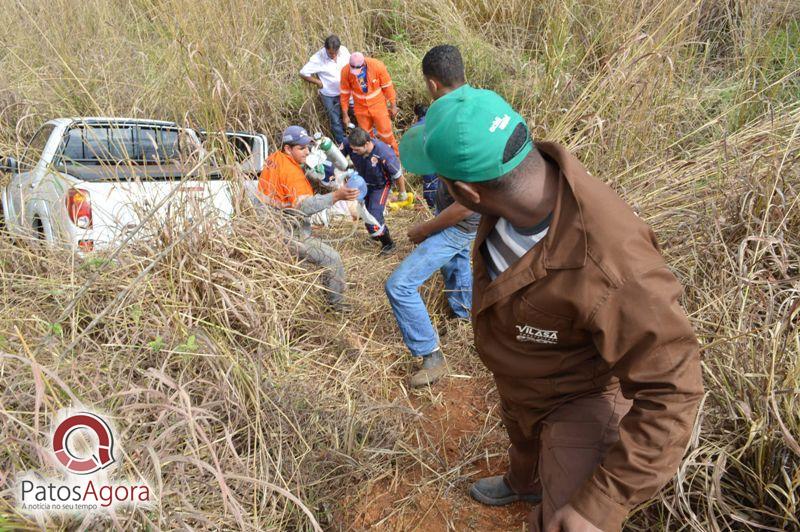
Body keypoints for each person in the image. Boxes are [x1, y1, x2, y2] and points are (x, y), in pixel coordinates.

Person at [400, 49, 704, 531]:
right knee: (521, 438)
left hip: (578, 400)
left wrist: (599, 506)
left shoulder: (614, 265)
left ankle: (548, 494)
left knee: (562, 520)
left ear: (466, 196)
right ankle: (522, 481)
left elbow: (674, 390)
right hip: (522, 377)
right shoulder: (517, 188)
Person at [258, 125, 359, 311]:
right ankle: (336, 305)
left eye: (308, 147)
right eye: (301, 148)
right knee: (332, 258)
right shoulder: (293, 174)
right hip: (286, 232)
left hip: (266, 224)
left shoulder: (274, 158)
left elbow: (283, 183)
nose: (307, 151)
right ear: (288, 148)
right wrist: (336, 196)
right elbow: (304, 208)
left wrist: (309, 171)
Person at [341, 127, 406, 255]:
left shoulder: (384, 153)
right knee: (364, 213)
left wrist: (402, 193)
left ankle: (388, 244)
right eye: (352, 149)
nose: (353, 152)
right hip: (363, 182)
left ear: (366, 144)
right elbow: (338, 156)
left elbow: (398, 175)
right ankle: (376, 234)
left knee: (374, 216)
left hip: (380, 186)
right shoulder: (350, 143)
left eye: (357, 150)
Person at [339, 52, 399, 155]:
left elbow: (388, 87)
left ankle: (394, 155)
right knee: (366, 135)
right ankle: (373, 156)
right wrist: (345, 114)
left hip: (378, 105)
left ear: (363, 64)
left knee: (386, 133)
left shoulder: (377, 66)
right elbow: (344, 94)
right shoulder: (346, 71)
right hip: (360, 108)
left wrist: (393, 105)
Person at [299, 35, 351, 144]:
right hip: (329, 94)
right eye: (330, 53)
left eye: (335, 53)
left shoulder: (344, 51)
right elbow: (303, 72)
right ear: (325, 49)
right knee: (335, 120)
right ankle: (342, 144)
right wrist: (318, 82)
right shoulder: (318, 58)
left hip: (347, 91)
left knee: (357, 112)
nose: (333, 56)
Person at [412, 103, 439, 210]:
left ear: (417, 115)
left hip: (425, 160)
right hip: (441, 157)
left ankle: (433, 207)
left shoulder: (414, 128)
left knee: (430, 183)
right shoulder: (436, 122)